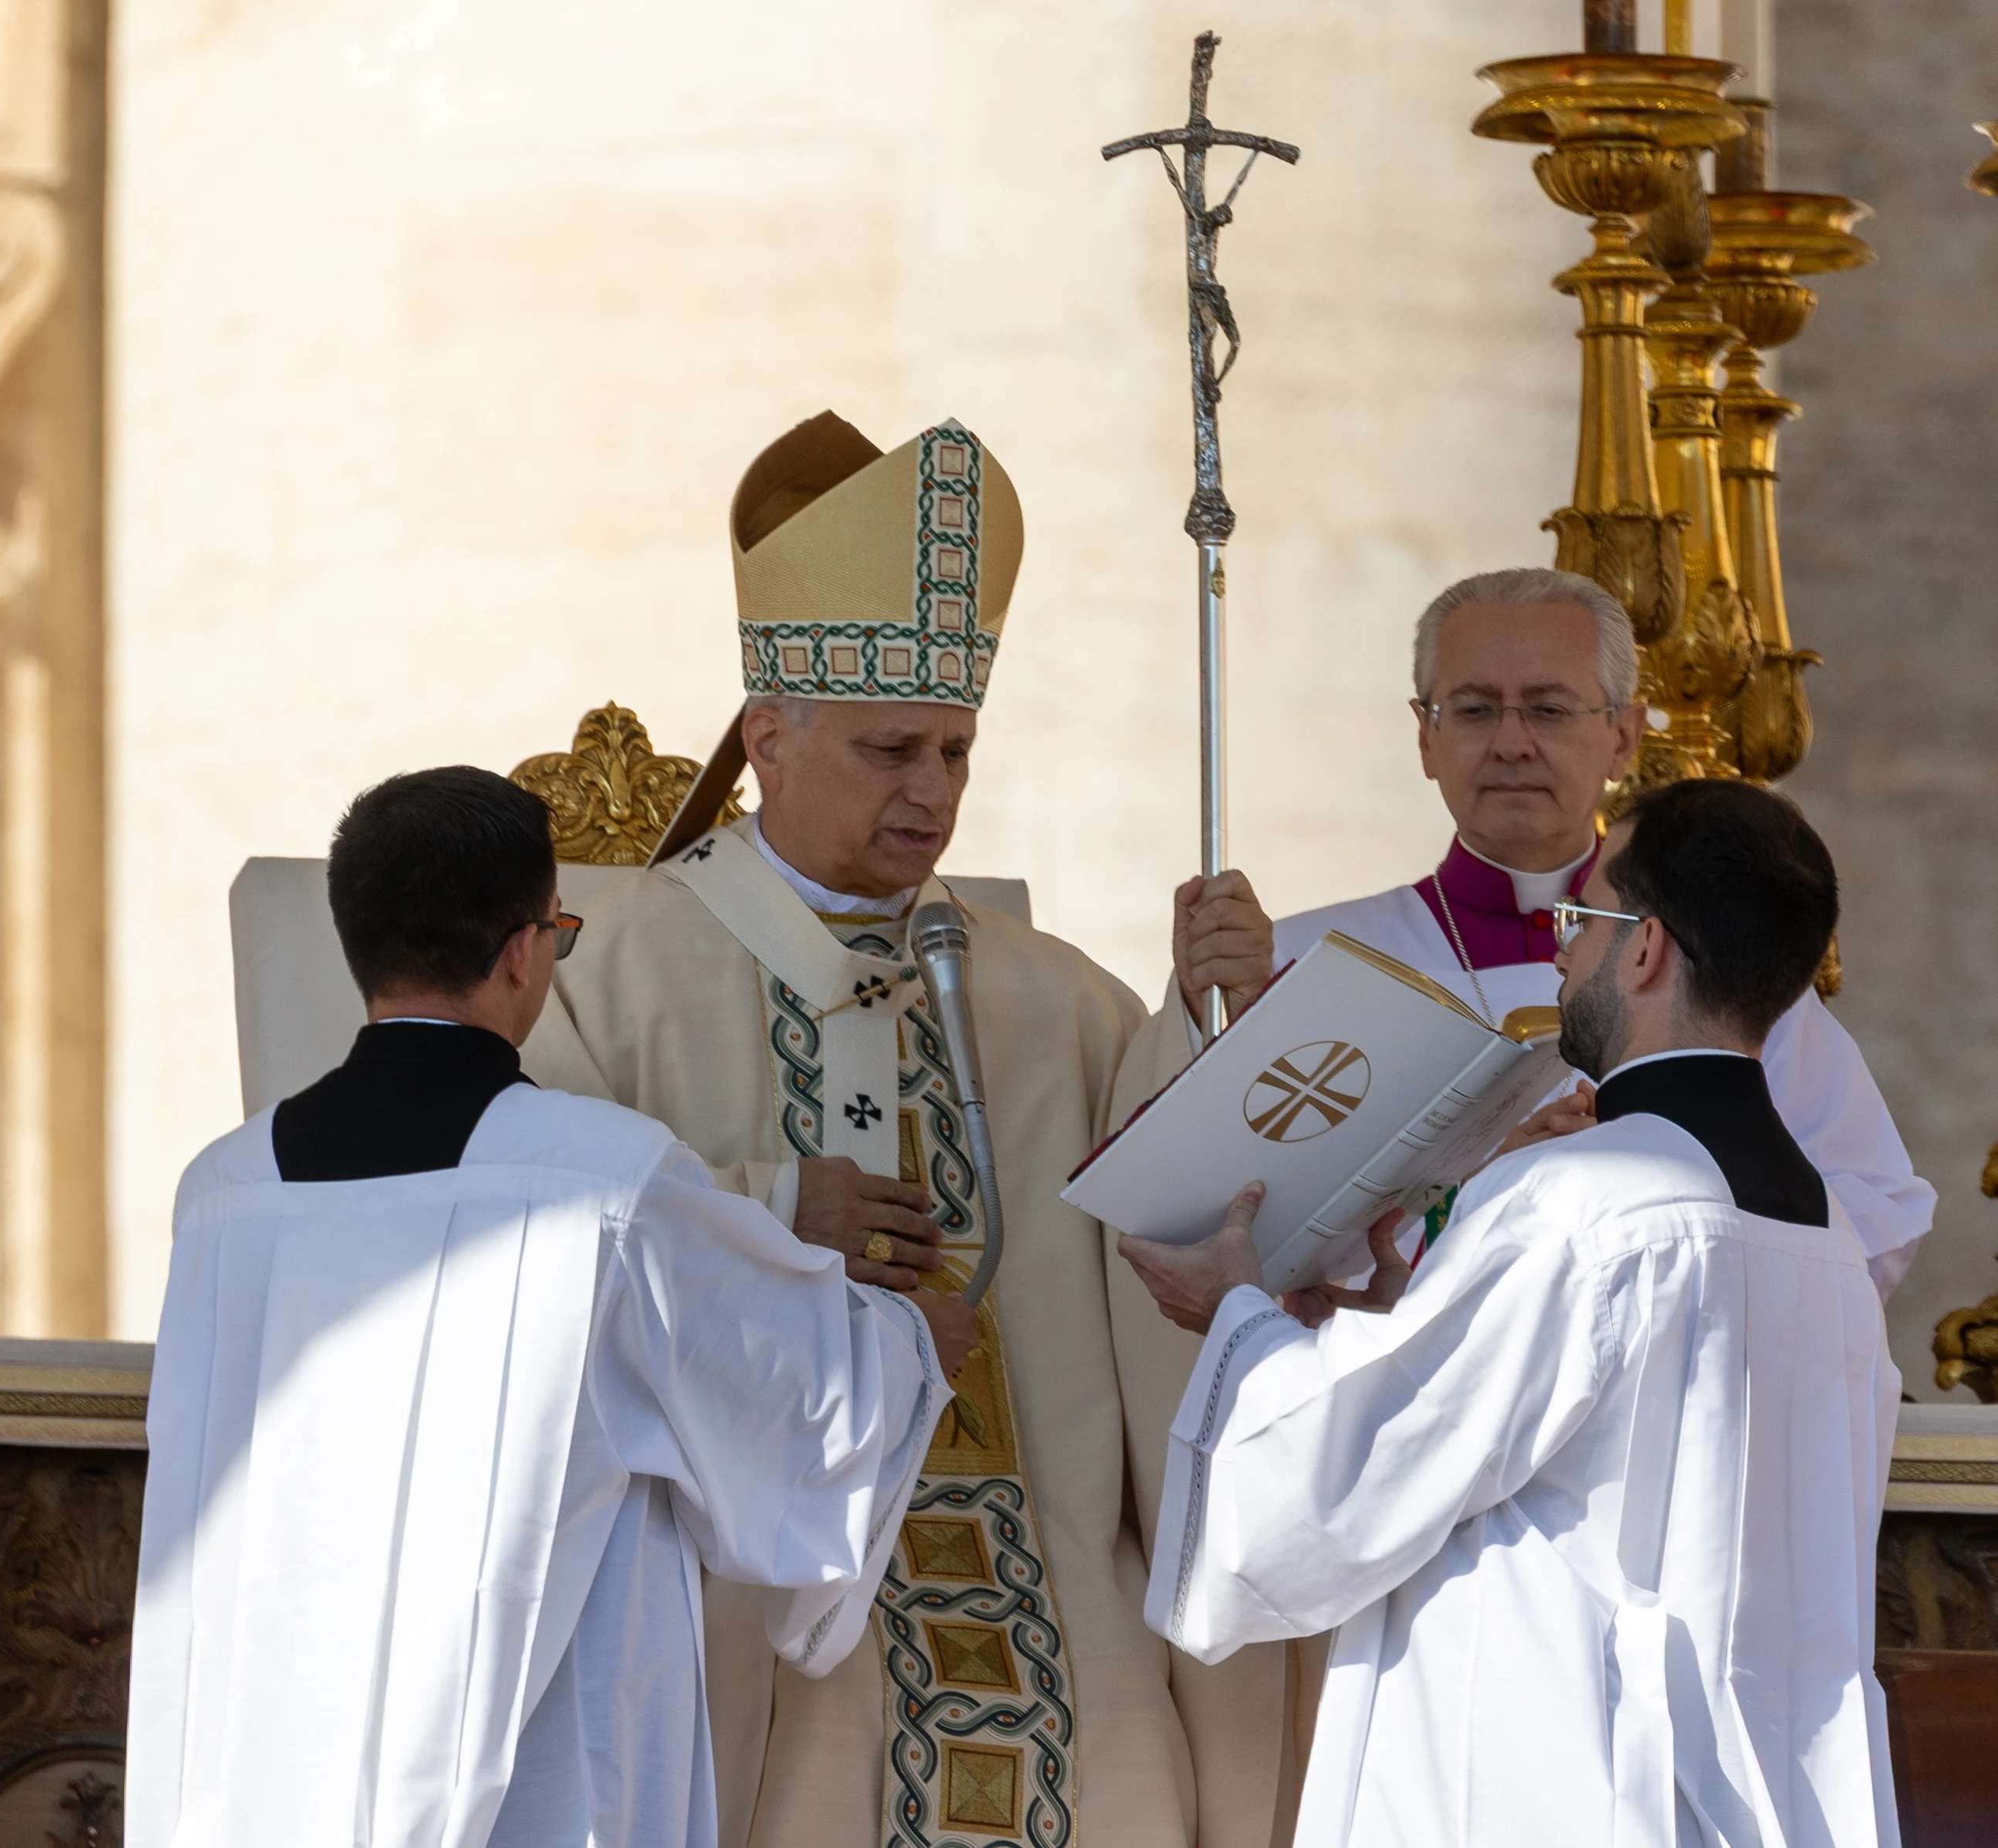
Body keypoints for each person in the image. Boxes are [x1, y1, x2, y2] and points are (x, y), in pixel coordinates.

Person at [522, 412, 1285, 1848]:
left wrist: (1210, 1029)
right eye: (888, 749)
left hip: (1044, 1586)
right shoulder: (609, 978)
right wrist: (761, 1212)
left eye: (953, 750)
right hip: (757, 1601)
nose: (929, 791)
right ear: (767, 739)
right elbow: (539, 1253)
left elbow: (1176, 1257)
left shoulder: (1059, 1004)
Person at [128, 767, 966, 1848]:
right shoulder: (601, 1180)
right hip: (533, 1757)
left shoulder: (223, 1192)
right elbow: (792, 1398)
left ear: (358, 945)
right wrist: (909, 1342)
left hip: (269, 1749)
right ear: (526, 948)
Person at [1119, 778, 1901, 1848]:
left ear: (1644, 950)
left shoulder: (1581, 1200)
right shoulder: (1825, 1238)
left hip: (1559, 1770)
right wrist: (1393, 1318)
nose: (1559, 955)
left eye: (1581, 922)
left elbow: (1340, 1484)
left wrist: (1238, 1317)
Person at [1272, 566, 1931, 1291]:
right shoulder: (1305, 961)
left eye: (1549, 709)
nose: (1511, 743)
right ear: (1425, 737)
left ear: (1622, 736)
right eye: (1473, 709)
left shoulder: (1718, 960)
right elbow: (1258, 1246)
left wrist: (1644, 1202)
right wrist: (1487, 1200)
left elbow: (1873, 1219)